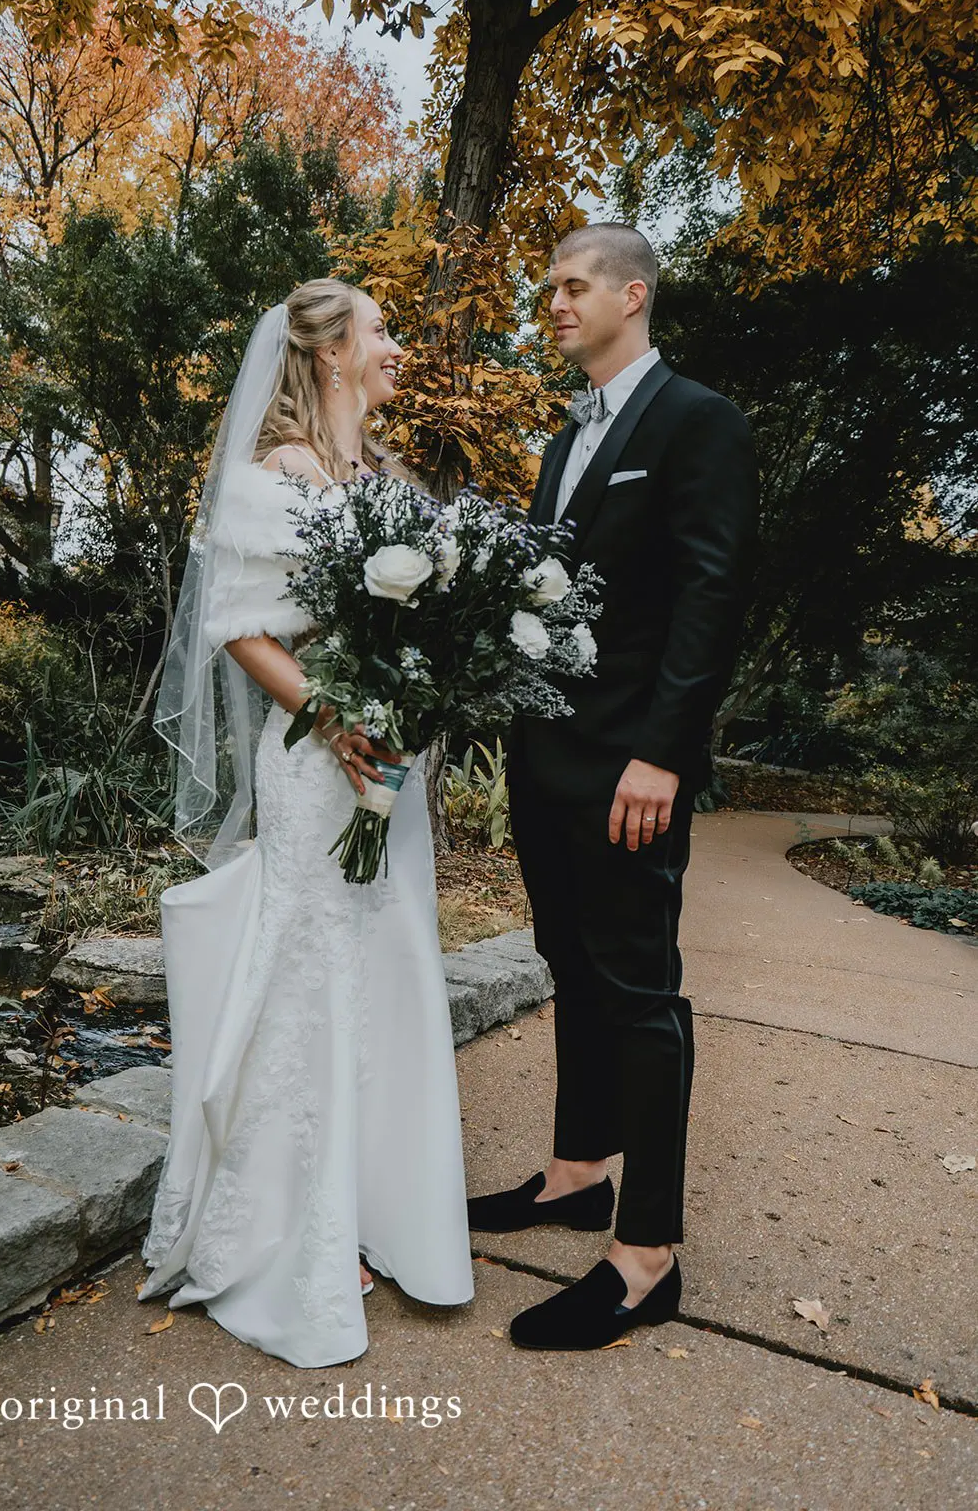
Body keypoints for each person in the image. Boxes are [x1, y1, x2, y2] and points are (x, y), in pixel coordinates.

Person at [138, 279, 474, 1368]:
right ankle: (290, 1225)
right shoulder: (277, 474)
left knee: (389, 963)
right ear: (330, 353)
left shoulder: (384, 481)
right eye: (380, 330)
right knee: (315, 966)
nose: (395, 346)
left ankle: (379, 1206)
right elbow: (243, 627)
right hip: (319, 757)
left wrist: (426, 692)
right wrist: (334, 718)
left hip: (388, 760)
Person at [467, 224, 760, 1351]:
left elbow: (711, 595)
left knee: (639, 991)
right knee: (572, 968)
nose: (552, 302)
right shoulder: (564, 438)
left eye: (571, 284)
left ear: (630, 295)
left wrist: (664, 752)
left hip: (632, 764)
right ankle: (575, 1175)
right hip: (547, 758)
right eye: (548, 286)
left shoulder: (696, 419)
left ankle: (645, 1258)